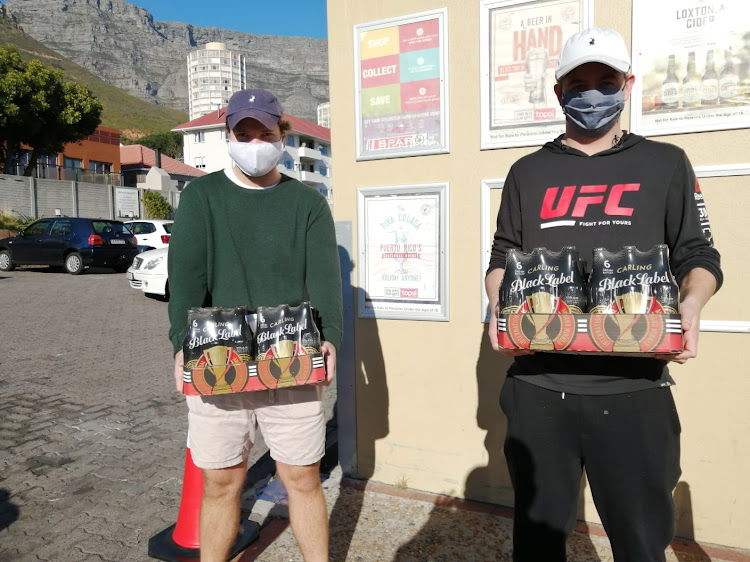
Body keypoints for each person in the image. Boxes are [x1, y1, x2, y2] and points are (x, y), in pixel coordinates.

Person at [485, 28, 722, 562]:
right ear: (558, 91)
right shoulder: (527, 173)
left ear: (628, 85)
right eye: (579, 83)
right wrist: (498, 307)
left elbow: (700, 257)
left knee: (641, 545)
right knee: (539, 544)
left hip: (635, 388)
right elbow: (502, 257)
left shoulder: (666, 164)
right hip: (539, 385)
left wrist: (691, 306)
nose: (592, 94)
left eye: (605, 81)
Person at [167, 88, 342, 562]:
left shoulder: (307, 204)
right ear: (229, 136)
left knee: (303, 478)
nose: (253, 142)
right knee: (222, 481)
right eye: (242, 133)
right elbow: (185, 279)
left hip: (292, 356)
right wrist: (182, 342)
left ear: (280, 134)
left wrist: (331, 341)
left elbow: (325, 282)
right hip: (218, 356)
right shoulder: (203, 197)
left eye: (263, 132)